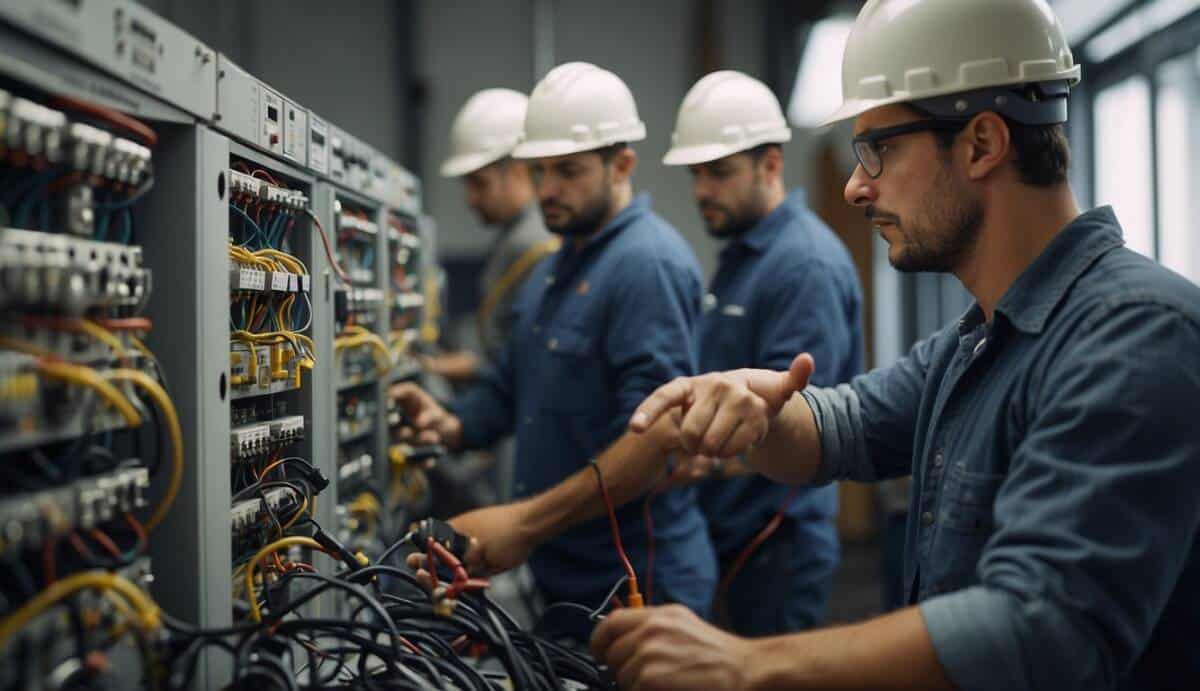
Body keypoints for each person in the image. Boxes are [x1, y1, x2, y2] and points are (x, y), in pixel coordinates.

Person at [591, 1, 1200, 689]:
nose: (855, 185)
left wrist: (744, 661)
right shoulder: (981, 337)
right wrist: (752, 408)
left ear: (981, 143)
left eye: (878, 148)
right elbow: (846, 423)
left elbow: (1043, 625)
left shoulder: (1136, 333)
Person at [394, 62, 717, 615]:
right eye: (539, 171)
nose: (547, 191)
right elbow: (509, 389)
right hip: (563, 578)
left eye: (567, 171)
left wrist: (523, 522)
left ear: (622, 165)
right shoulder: (553, 269)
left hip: (635, 586)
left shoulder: (646, 265)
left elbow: (652, 445)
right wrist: (451, 426)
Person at [660, 70, 863, 634]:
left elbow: (789, 419)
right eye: (696, 173)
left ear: (770, 164)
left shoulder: (803, 266)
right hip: (733, 530)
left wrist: (686, 459)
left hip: (776, 544)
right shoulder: (744, 256)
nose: (702, 189)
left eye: (719, 173)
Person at [425, 88, 559, 384]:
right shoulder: (515, 236)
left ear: (519, 171)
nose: (470, 199)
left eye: (479, 183)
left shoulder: (534, 244)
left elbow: (522, 363)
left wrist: (434, 367)